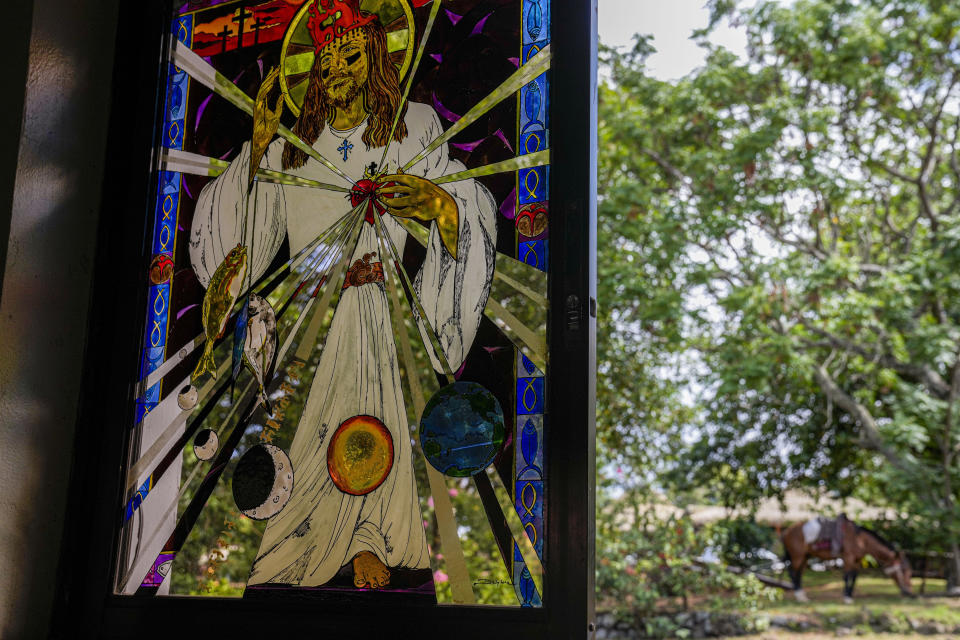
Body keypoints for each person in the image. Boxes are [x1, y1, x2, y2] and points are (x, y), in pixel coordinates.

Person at [188, 0, 496, 589]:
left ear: (377, 57)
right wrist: (254, 148)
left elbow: (461, 209)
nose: (334, 70)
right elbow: (246, 241)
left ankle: (371, 538)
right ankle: (290, 550)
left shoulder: (417, 126)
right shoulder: (288, 147)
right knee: (304, 429)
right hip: (308, 317)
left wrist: (440, 209)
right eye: (325, 59)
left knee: (377, 416)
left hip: (379, 309)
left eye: (350, 54)